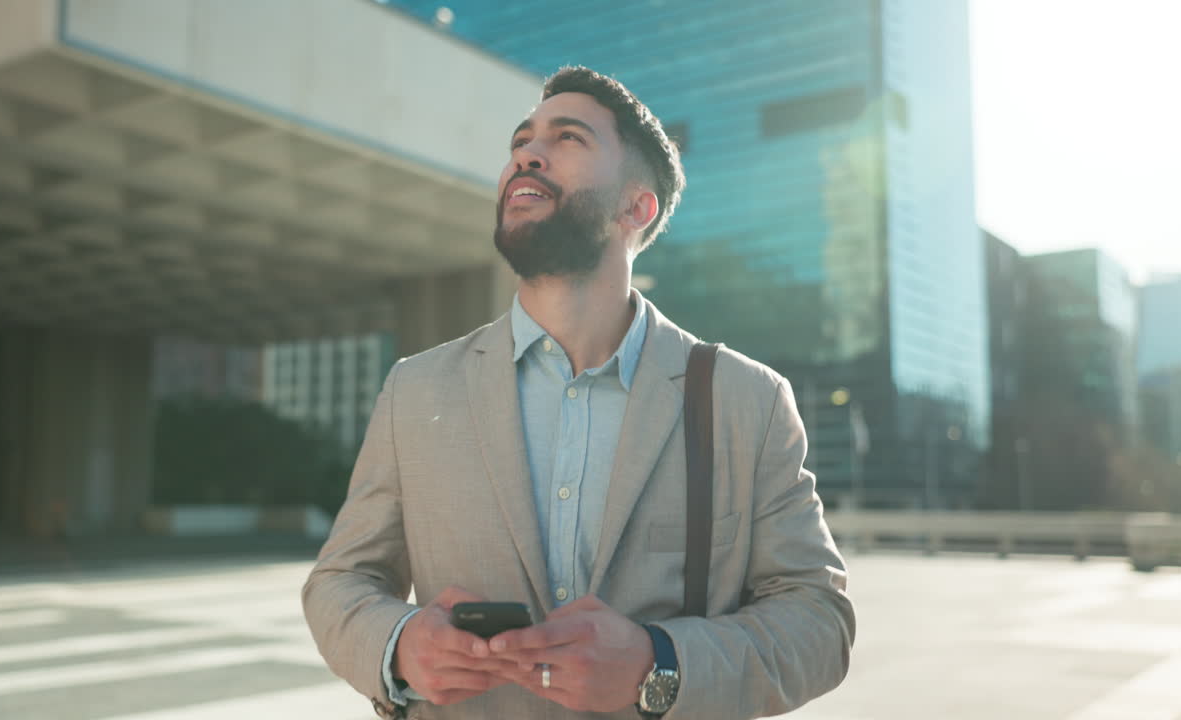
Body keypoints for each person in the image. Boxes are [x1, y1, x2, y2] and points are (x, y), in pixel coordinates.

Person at [302, 66, 855, 719]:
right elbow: (340, 582)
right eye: (520, 142)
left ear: (636, 206)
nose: (526, 155)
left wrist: (660, 664)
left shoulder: (748, 401)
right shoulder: (415, 390)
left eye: (568, 138)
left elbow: (819, 623)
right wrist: (397, 647)